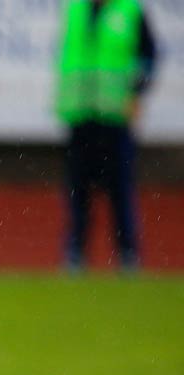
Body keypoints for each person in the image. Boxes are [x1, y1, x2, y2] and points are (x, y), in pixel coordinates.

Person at [56, 0, 161, 271]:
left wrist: (137, 91)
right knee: (78, 189)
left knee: (120, 188)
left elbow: (149, 56)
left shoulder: (129, 11)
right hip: (80, 114)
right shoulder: (76, 9)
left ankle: (127, 254)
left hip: (115, 116)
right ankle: (76, 252)